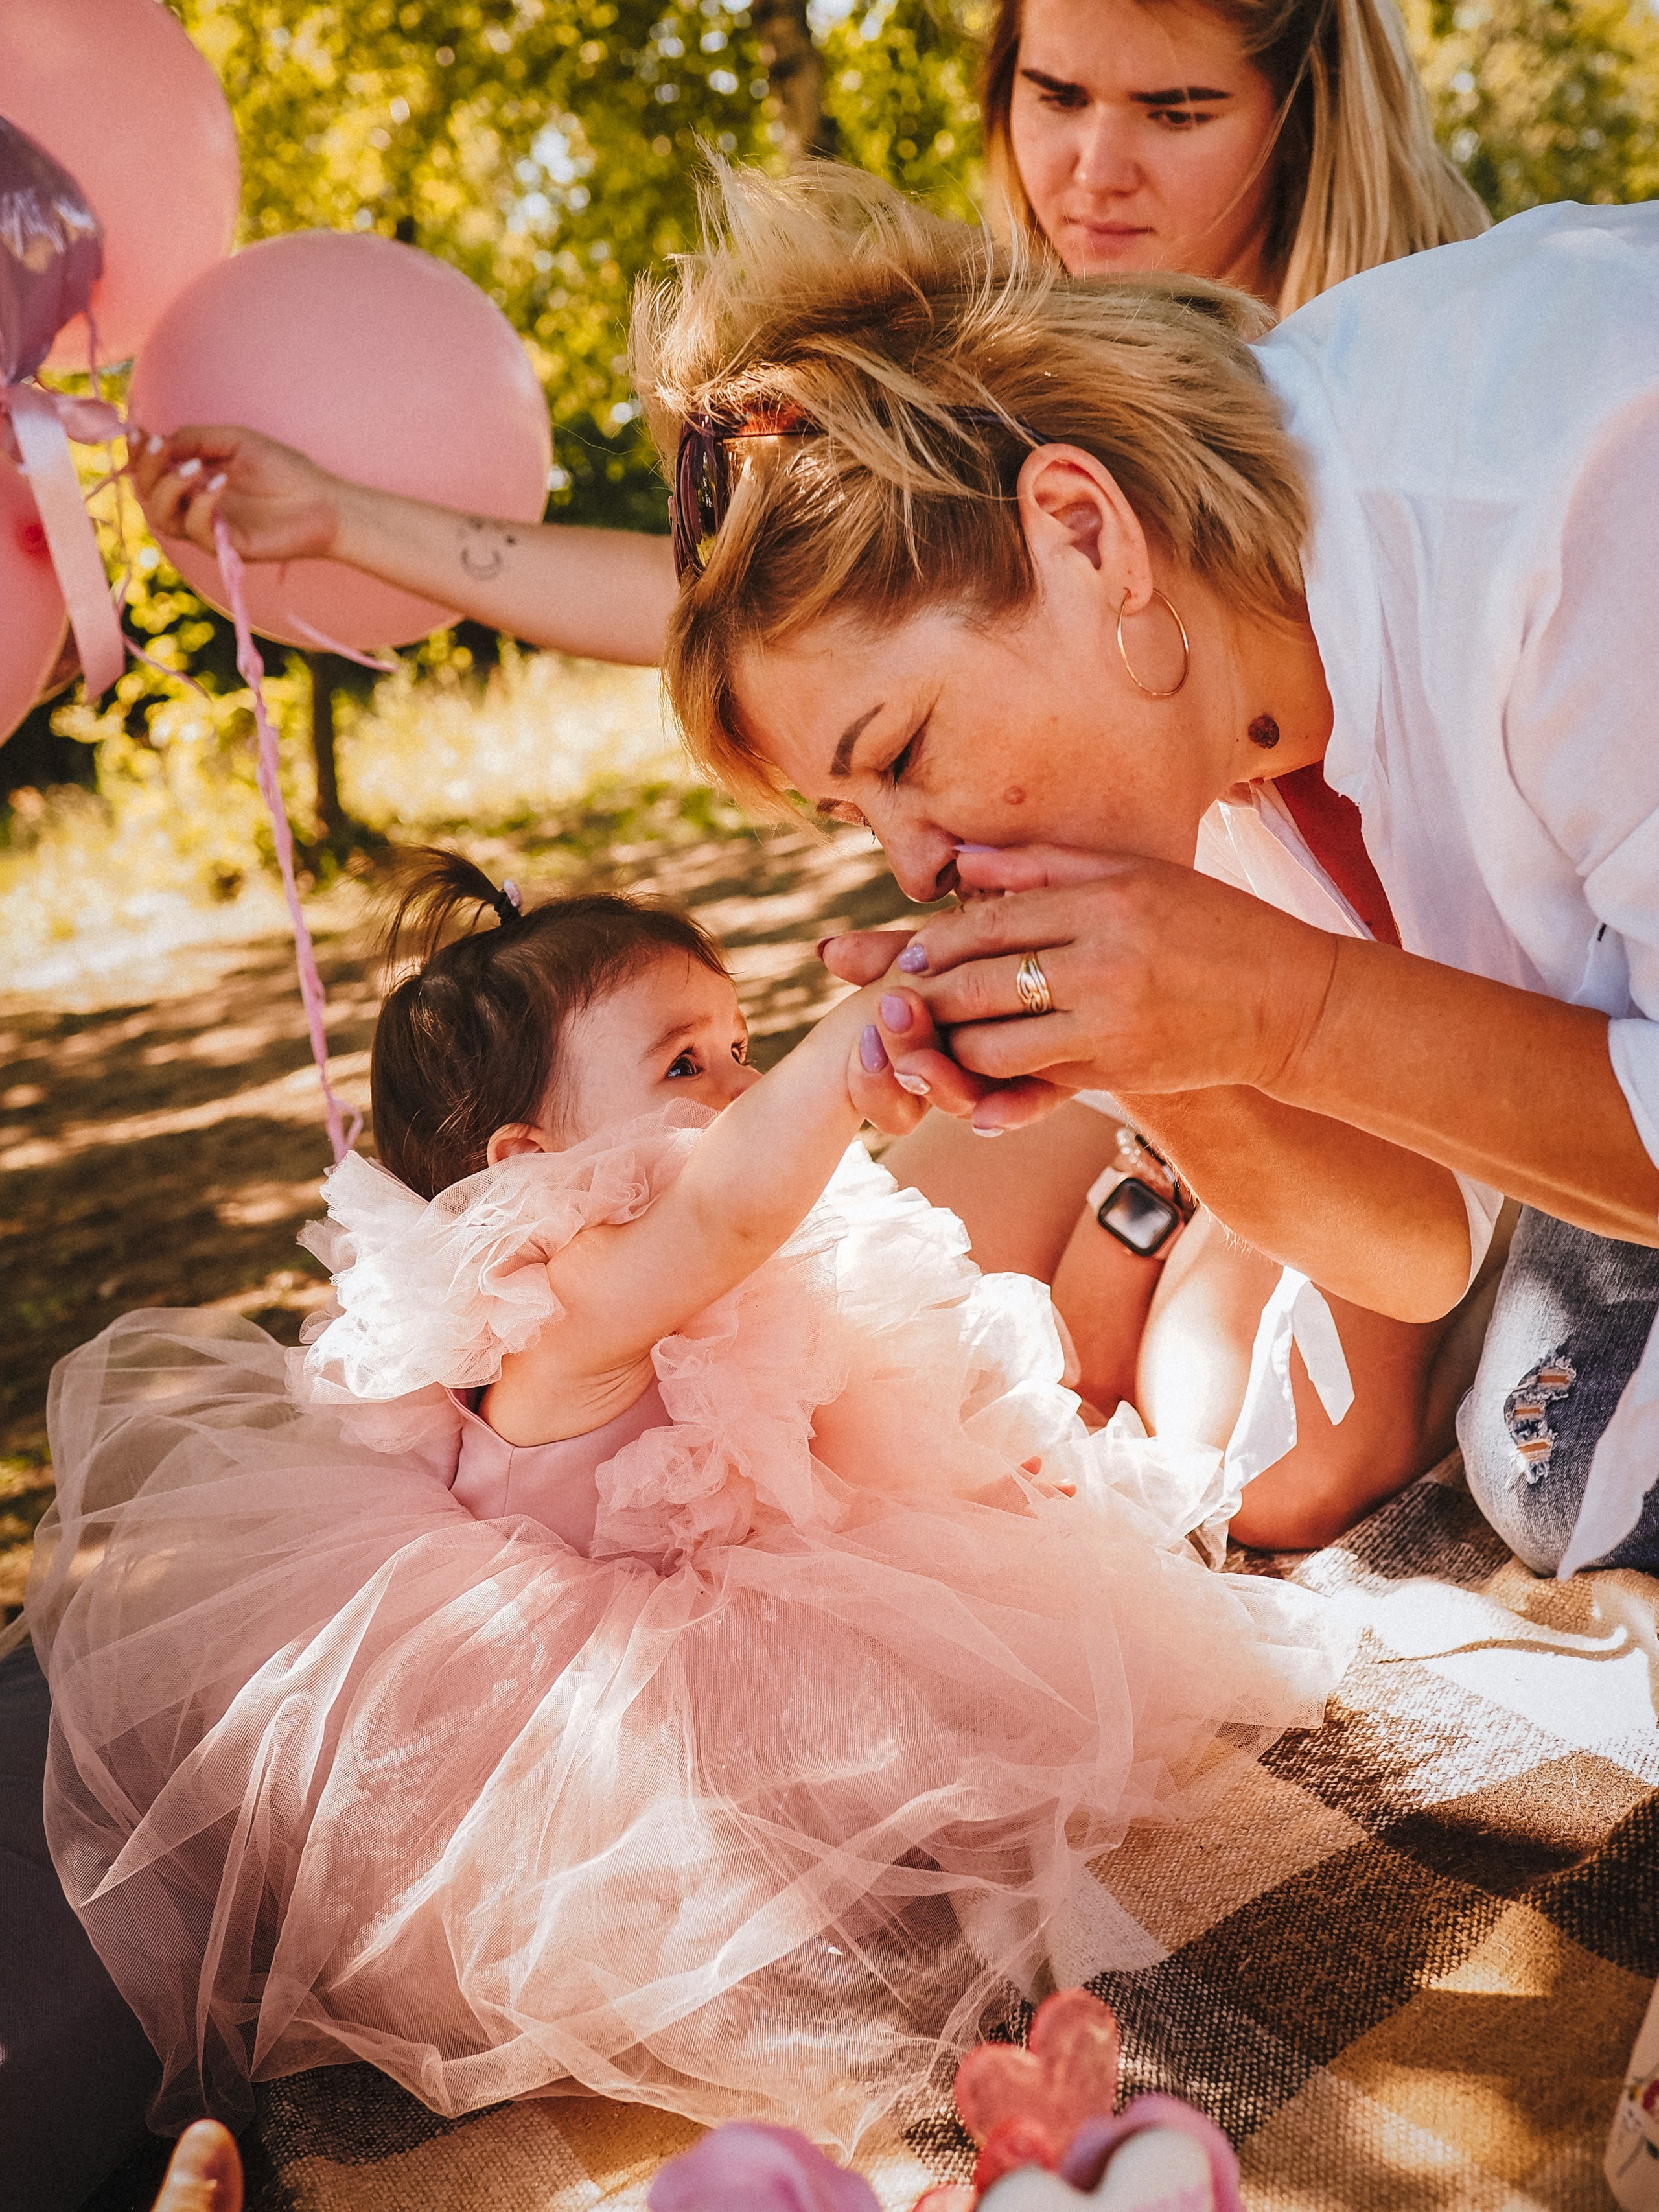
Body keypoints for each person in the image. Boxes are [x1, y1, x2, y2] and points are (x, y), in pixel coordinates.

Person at [29, 852, 1343, 2143]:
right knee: (768, 1903)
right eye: (682, 1066)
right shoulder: (566, 1304)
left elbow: (822, 1419)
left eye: (742, 1044)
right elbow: (720, 1214)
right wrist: (848, 1054)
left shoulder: (704, 1274)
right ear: (531, 1166)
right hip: (599, 1722)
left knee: (973, 1675)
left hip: (751, 1599)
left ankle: (1155, 1233)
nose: (740, 1085)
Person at [621, 161, 1659, 1579]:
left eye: (906, 750)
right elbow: (1419, 1239)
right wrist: (1176, 1054)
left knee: (1559, 1472)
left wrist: (1288, 1007)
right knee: (1553, 1462)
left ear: (1083, 532)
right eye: (855, 817)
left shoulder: (1580, 488)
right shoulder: (1198, 720)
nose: (918, 867)